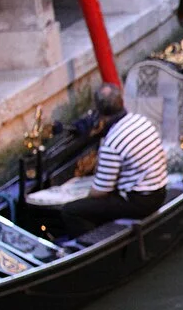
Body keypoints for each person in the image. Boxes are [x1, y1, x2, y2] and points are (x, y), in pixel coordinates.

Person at [60, 82, 168, 239]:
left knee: (71, 211)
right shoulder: (142, 121)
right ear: (122, 102)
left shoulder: (113, 142)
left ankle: (93, 246)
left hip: (140, 202)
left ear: (99, 110)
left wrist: (80, 197)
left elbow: (101, 191)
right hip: (160, 191)